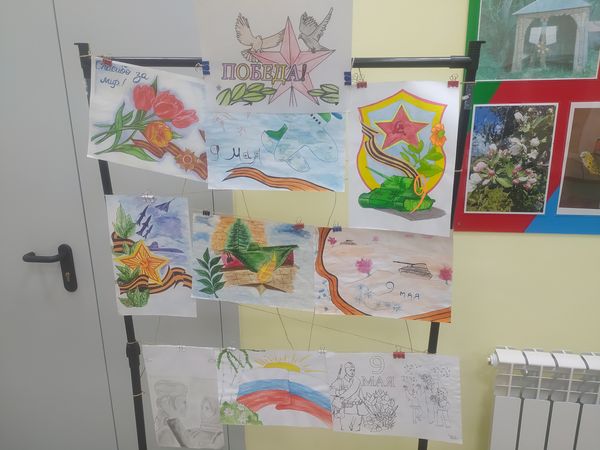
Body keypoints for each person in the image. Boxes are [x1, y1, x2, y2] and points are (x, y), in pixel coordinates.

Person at [330, 362, 369, 431]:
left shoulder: (357, 382)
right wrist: (339, 392)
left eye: (353, 370)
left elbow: (361, 395)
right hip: (345, 411)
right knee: (345, 430)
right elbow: (331, 391)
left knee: (357, 430)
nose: (352, 372)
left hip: (357, 411)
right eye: (350, 370)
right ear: (346, 370)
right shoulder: (340, 381)